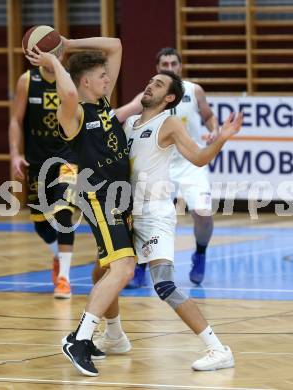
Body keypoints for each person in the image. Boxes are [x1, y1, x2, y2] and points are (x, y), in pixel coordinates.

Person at [93, 70, 243, 371]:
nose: (150, 85)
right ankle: (114, 335)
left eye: (158, 84)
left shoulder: (169, 123)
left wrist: (222, 138)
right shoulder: (132, 123)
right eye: (150, 81)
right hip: (129, 212)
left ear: (170, 97)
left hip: (155, 215)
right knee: (103, 274)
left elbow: (199, 158)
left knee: (164, 285)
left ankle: (218, 349)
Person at [25, 37, 136, 377]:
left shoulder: (102, 102)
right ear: (85, 80)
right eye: (102, 75)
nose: (109, 78)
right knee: (125, 268)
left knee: (107, 270)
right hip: (100, 198)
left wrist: (69, 44)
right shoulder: (72, 113)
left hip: (122, 197)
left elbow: (116, 45)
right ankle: (79, 338)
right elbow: (69, 93)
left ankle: (112, 334)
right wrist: (52, 61)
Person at [125, 47, 219, 288]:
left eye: (173, 64)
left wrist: (215, 132)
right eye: (164, 64)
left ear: (180, 66)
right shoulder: (147, 96)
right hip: (160, 161)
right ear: (158, 68)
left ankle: (200, 252)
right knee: (145, 215)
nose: (169, 67)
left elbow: (208, 115)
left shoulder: (194, 90)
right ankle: (140, 265)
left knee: (204, 215)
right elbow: (124, 116)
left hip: (189, 162)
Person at [9, 30, 87, 299]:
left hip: (68, 158)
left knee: (64, 214)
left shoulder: (70, 82)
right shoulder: (27, 81)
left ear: (59, 53)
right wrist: (15, 155)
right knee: (41, 224)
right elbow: (15, 121)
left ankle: (64, 279)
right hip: (38, 161)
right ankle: (58, 256)